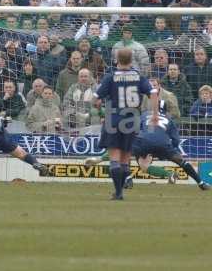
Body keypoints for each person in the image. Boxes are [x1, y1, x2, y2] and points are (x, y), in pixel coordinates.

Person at [93, 48, 159, 200]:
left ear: (116, 59)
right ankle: (119, 192)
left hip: (113, 118)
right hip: (132, 119)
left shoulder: (110, 77)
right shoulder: (139, 77)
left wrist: (99, 108)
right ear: (131, 60)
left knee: (114, 158)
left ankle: (118, 193)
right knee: (125, 159)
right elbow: (154, 94)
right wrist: (154, 115)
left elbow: (95, 99)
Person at [86, 112, 211, 190]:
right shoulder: (169, 118)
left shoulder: (145, 114)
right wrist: (169, 150)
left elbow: (134, 129)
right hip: (163, 144)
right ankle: (200, 182)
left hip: (144, 141)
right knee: (148, 166)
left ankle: (124, 176)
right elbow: (176, 140)